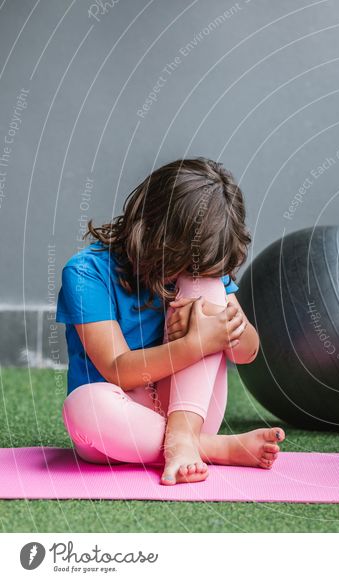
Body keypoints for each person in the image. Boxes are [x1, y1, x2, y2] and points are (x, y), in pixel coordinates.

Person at [57, 158, 285, 485]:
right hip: (120, 419)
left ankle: (186, 437)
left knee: (206, 286)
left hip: (188, 411)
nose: (183, 275)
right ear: (151, 231)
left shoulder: (200, 274)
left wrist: (231, 329)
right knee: (82, 407)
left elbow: (246, 353)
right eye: (180, 263)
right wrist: (194, 344)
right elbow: (118, 369)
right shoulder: (86, 273)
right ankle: (211, 447)